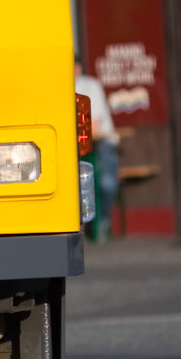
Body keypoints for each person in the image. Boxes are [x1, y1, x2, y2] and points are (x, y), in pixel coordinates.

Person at [75, 52, 119, 237]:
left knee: (104, 180)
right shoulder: (56, 87)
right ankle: (83, 223)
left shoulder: (89, 86)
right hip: (78, 146)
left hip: (101, 143)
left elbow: (93, 126)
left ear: (78, 68)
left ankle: (101, 222)